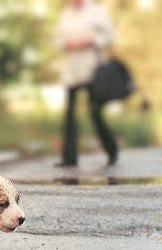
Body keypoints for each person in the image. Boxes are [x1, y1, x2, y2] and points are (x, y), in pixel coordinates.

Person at [56, 0, 117, 166]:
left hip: (92, 70)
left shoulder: (97, 12)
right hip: (72, 71)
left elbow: (109, 36)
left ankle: (112, 150)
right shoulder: (65, 14)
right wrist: (67, 43)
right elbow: (58, 40)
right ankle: (69, 158)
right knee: (70, 115)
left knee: (95, 112)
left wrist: (91, 40)